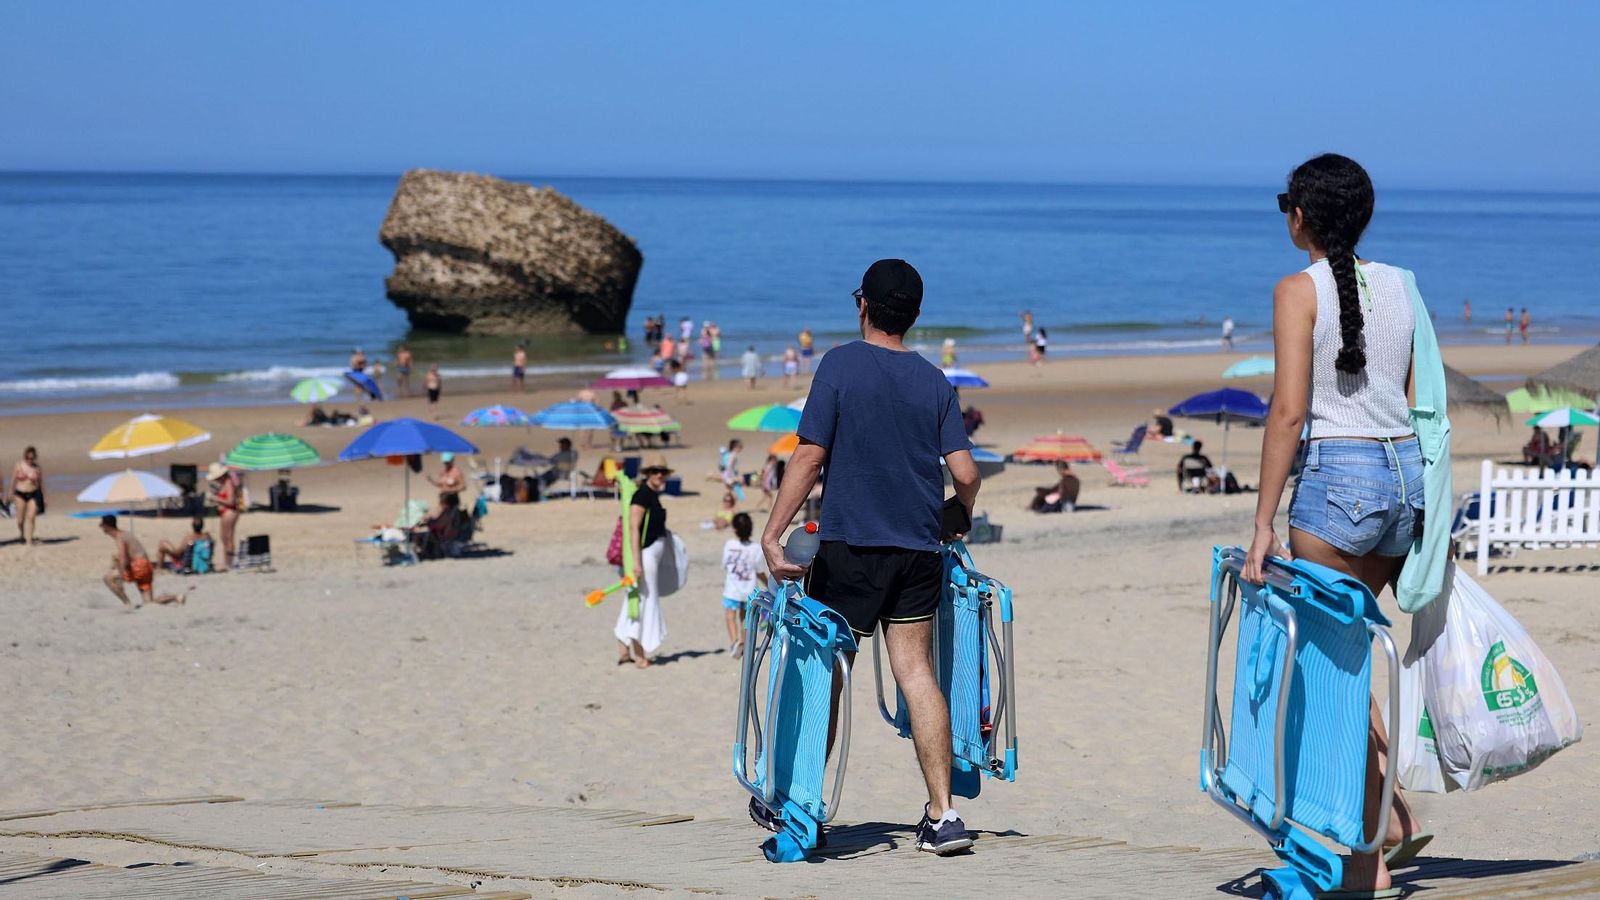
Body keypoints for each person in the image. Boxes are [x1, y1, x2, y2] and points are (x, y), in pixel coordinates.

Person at [1243, 154, 1431, 896]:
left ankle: (1368, 862)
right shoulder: (1403, 285)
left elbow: (1288, 411)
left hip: (1338, 483)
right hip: (1403, 481)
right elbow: (1419, 400)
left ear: (1301, 217)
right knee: (1349, 651)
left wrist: (1263, 521)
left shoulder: (1298, 290)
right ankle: (1392, 819)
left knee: (1331, 671)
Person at [761, 258, 981, 856]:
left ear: (863, 305)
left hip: (851, 547)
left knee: (825, 675)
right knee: (916, 672)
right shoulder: (935, 380)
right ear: (913, 314)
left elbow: (808, 456)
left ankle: (802, 807)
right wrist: (956, 517)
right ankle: (944, 815)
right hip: (916, 551)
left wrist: (773, 533)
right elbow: (965, 472)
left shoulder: (839, 364)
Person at [616, 455, 672, 668]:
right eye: (655, 471)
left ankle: (623, 648)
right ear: (648, 473)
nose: (660, 475)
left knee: (633, 599)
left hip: (650, 556)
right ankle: (640, 655)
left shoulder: (652, 495)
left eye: (663, 472)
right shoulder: (642, 495)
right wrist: (637, 562)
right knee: (645, 602)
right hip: (644, 557)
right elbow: (633, 528)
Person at [100, 515, 184, 608]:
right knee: (149, 602)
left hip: (138, 566)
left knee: (108, 578)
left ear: (106, 526)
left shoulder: (119, 537)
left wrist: (121, 574)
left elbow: (124, 557)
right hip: (146, 566)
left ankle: (127, 603)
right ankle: (176, 597)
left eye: (102, 525)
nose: (101, 527)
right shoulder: (125, 534)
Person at [721, 512, 767, 658]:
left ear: (735, 529)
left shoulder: (730, 544)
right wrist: (768, 583)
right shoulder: (756, 548)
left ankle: (735, 642)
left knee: (730, 616)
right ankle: (745, 643)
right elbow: (760, 571)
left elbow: (725, 565)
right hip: (749, 590)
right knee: (745, 618)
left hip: (732, 589)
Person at [206, 463, 242, 569]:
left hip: (230, 512)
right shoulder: (226, 483)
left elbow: (231, 501)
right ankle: (227, 561)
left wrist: (215, 499)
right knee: (224, 537)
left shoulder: (228, 483)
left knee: (228, 537)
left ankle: (229, 562)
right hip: (227, 512)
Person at [11, 445, 44, 545]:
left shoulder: (37, 468)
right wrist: (9, 493)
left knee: (31, 517)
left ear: (34, 458)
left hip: (33, 494)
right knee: (20, 519)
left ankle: (29, 539)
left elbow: (41, 484)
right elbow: (13, 480)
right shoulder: (18, 465)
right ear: (25, 456)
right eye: (28, 458)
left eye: (32, 458)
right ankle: (22, 534)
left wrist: (44, 498)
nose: (30, 460)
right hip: (20, 494)